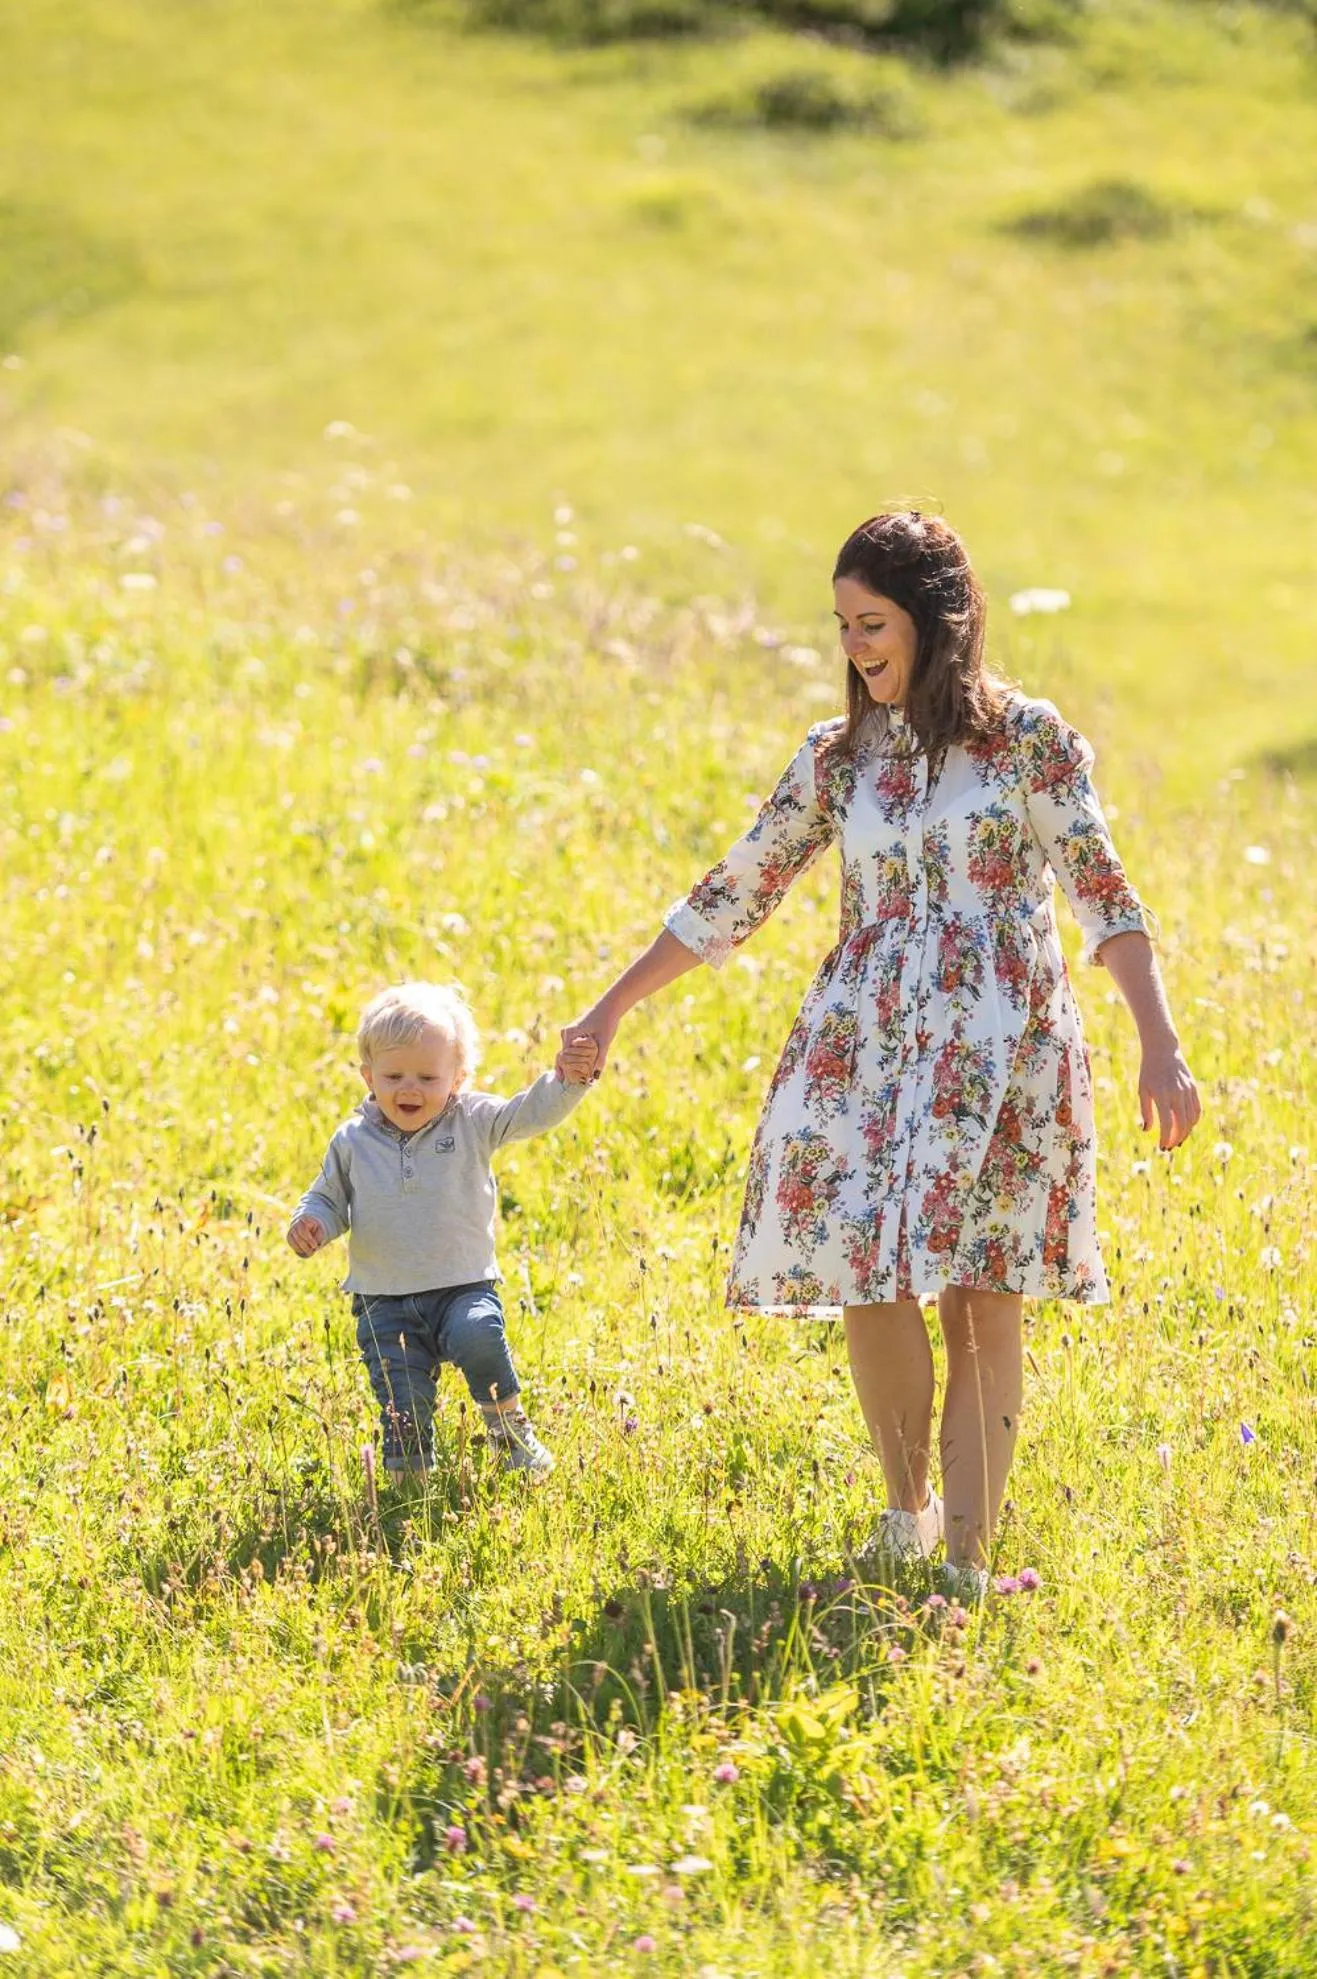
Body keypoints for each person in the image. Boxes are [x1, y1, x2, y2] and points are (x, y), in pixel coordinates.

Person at [559, 511, 1199, 1600]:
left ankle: (966, 1565)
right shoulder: (836, 756)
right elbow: (738, 888)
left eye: (874, 622)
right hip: (864, 1048)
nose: (856, 646)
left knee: (985, 1295)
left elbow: (1105, 891)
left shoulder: (1029, 741)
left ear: (938, 623)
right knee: (872, 1276)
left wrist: (1160, 1039)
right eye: (844, 624)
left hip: (1003, 1049)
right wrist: (612, 1006)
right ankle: (907, 1525)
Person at [288, 980, 597, 1479]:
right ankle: (409, 1474)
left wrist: (568, 1081)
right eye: (393, 1076)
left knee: (480, 1337)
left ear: (457, 1077)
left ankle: (510, 1433)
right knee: (400, 1395)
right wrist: (312, 1224)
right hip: (382, 1299)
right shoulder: (353, 1141)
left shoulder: (471, 1120)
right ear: (368, 1076)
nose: (409, 1089)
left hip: (462, 1285)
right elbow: (329, 1198)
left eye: (428, 1077)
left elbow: (529, 1112)